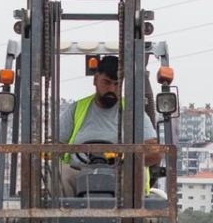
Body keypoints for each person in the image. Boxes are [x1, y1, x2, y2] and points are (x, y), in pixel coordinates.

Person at [59, 54, 161, 197]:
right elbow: (55, 145)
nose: (112, 89)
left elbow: (154, 151)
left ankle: (131, 210)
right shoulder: (76, 110)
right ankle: (62, 210)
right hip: (78, 173)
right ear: (95, 80)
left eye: (117, 84)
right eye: (106, 82)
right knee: (58, 172)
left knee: (135, 172)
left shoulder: (134, 112)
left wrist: (127, 159)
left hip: (120, 174)